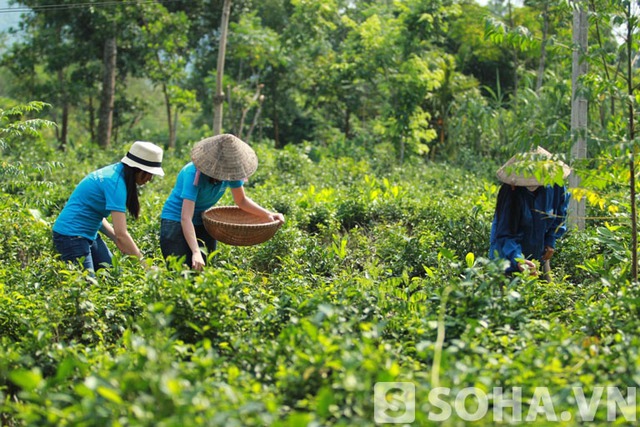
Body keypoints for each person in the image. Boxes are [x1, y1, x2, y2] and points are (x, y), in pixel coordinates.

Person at [160, 134, 284, 270]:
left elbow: (241, 200)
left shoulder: (231, 171)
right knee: (180, 272)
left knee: (204, 271)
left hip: (203, 221)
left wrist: (268, 214)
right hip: (175, 222)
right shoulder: (193, 173)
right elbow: (185, 218)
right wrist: (196, 252)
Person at [53, 141, 165, 272]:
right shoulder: (115, 182)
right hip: (71, 236)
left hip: (89, 234)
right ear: (138, 169)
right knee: (86, 287)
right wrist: (145, 266)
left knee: (113, 274)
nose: (150, 179)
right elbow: (122, 234)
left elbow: (95, 213)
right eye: (149, 173)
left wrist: (117, 240)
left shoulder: (116, 173)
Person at [489, 146, 571, 276]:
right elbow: (505, 235)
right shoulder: (511, 193)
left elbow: (560, 215)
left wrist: (550, 241)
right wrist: (519, 260)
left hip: (537, 253)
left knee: (544, 290)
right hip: (507, 259)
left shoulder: (556, 188)